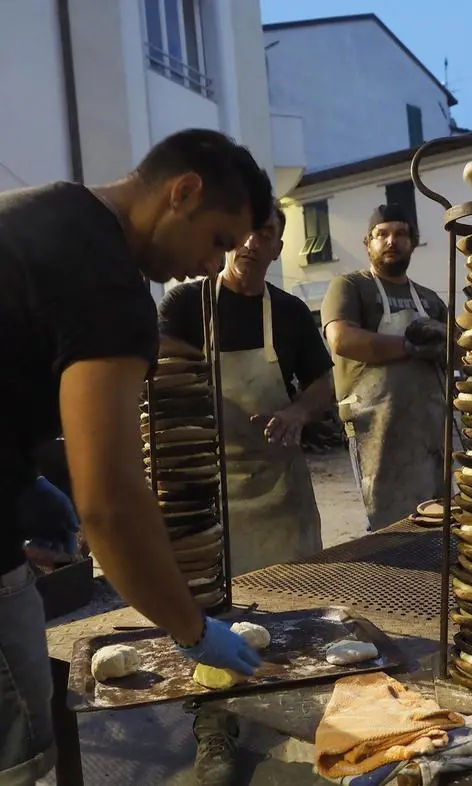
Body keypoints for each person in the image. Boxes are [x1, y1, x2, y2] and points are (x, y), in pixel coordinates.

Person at [0, 128, 272, 783]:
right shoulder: (108, 282)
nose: (213, 267)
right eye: (217, 242)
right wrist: (190, 628)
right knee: (15, 757)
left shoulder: (37, 211)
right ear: (183, 192)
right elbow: (112, 504)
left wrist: (20, 478)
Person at [159, 203, 333, 784]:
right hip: (202, 485)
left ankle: (288, 707)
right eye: (247, 230)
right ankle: (215, 730)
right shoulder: (187, 303)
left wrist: (298, 410)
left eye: (268, 232)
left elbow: (323, 380)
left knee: (288, 608)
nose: (253, 242)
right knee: (209, 614)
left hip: (275, 482)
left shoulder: (285, 312)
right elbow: (157, 368)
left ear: (279, 245)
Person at [321, 204, 448, 532]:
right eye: (382, 234)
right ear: (368, 243)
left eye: (401, 234)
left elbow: (457, 351)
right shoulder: (350, 287)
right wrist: (409, 347)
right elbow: (342, 339)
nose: (392, 241)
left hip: (432, 423)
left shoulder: (430, 299)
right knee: (390, 523)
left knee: (439, 515)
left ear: (413, 242)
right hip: (374, 426)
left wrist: (450, 342)